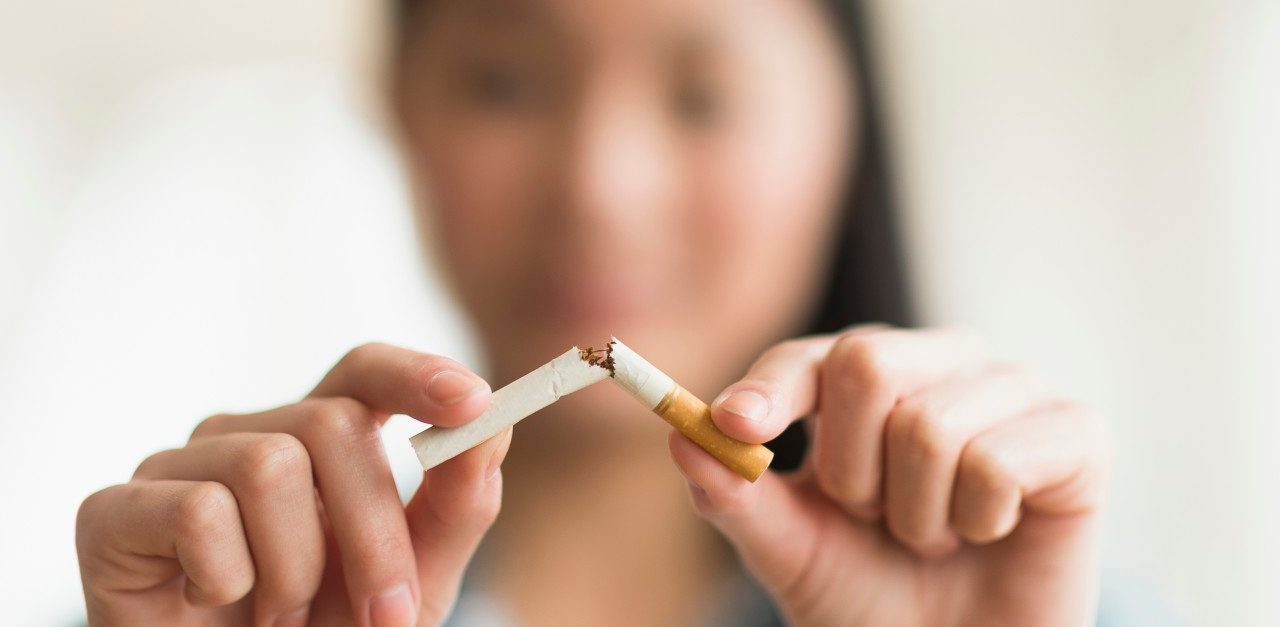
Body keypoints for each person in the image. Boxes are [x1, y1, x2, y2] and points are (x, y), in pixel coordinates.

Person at [73, 0, 1112, 625]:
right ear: (396, 100)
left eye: (701, 97)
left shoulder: (1056, 610)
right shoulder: (219, 604)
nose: (597, 188)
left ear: (843, 122)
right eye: (505, 85)